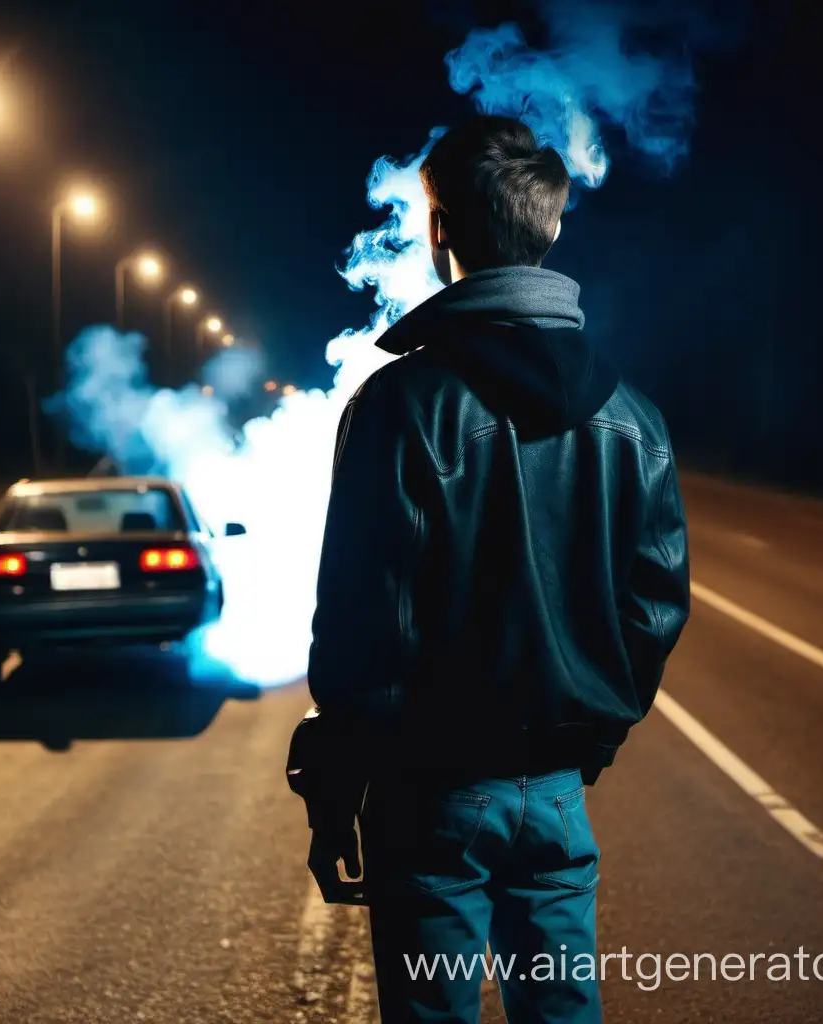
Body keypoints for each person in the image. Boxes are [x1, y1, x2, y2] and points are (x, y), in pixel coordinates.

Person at [295, 114, 690, 1023]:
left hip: (429, 793)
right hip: (557, 793)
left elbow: (364, 624)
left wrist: (337, 786)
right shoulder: (635, 415)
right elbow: (654, 608)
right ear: (549, 229)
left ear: (439, 230)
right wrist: (587, 740)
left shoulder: (401, 406)